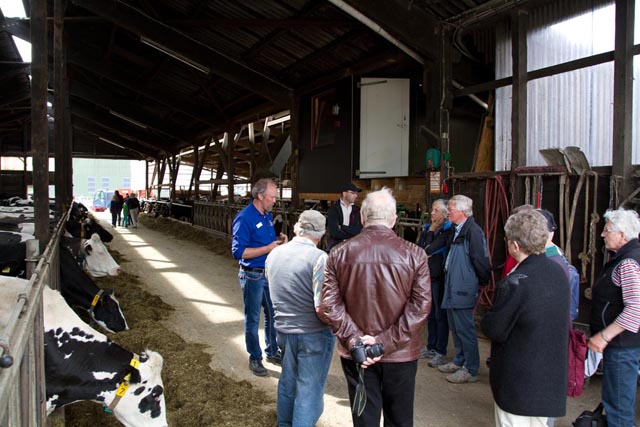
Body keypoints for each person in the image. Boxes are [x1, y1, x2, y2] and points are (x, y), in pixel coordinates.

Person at [319, 188, 431, 427]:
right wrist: (384, 343)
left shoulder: (338, 253)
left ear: (362, 218)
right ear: (394, 219)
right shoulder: (416, 255)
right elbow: (420, 307)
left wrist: (356, 340)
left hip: (357, 354)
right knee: (400, 419)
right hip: (400, 353)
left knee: (364, 418)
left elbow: (329, 304)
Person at [481, 209, 569, 427]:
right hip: (549, 379)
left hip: (519, 382)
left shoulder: (515, 282)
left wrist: (486, 320)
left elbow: (495, 329)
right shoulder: (559, 272)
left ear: (515, 245)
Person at [265, 210, 335, 427]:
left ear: (297, 228)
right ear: (321, 233)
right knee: (308, 391)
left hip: (284, 331)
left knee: (287, 383)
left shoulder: (274, 254)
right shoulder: (319, 258)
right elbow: (320, 306)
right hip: (312, 334)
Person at [588, 208, 640, 427]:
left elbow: (635, 309)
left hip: (621, 347)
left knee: (618, 409)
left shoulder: (628, 263)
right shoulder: (627, 256)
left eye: (607, 230)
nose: (602, 234)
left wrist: (604, 336)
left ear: (622, 235)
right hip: (623, 346)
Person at [231, 178, 288, 377]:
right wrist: (268, 248)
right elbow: (239, 252)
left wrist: (278, 241)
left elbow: (267, 242)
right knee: (253, 318)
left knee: (273, 314)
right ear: (260, 196)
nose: (275, 200)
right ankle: (254, 357)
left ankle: (272, 351)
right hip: (252, 275)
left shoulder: (266, 215)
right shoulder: (244, 218)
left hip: (268, 274)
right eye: (272, 197)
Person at [437, 194, 491, 383]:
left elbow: (481, 260)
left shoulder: (472, 232)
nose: (448, 212)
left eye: (450, 209)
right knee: (455, 327)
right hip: (452, 286)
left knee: (465, 329)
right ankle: (459, 360)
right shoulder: (456, 230)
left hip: (463, 288)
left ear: (461, 211)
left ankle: (470, 368)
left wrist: (481, 282)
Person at [417, 199, 454, 367]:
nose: (432, 213)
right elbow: (419, 250)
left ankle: (440, 351)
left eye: (436, 210)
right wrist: (430, 232)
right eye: (432, 210)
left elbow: (430, 249)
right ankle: (431, 346)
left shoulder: (448, 231)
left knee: (440, 315)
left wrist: (430, 236)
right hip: (427, 276)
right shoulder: (428, 228)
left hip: (439, 277)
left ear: (445, 214)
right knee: (430, 314)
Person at [326, 183, 363, 251]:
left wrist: (342, 227)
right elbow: (334, 233)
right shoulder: (334, 209)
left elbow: (359, 230)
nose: (355, 195)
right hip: (335, 246)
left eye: (356, 193)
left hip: (353, 247)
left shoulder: (357, 210)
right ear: (344, 193)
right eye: (352, 193)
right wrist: (352, 234)